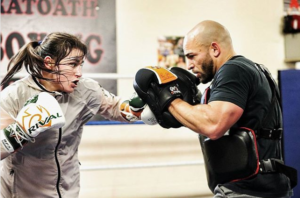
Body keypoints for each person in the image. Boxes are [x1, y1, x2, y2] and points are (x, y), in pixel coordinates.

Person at [134, 20, 297, 197]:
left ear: (214, 49)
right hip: (259, 189)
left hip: (248, 191)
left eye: (192, 56)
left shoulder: (234, 70)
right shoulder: (250, 70)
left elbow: (213, 125)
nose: (188, 65)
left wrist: (169, 98)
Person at [0, 32, 145, 198]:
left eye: (81, 64)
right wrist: (22, 130)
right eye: (73, 64)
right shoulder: (15, 95)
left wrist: (140, 106)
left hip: (68, 189)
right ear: (49, 63)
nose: (79, 72)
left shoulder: (85, 89)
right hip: (22, 191)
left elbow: (116, 108)